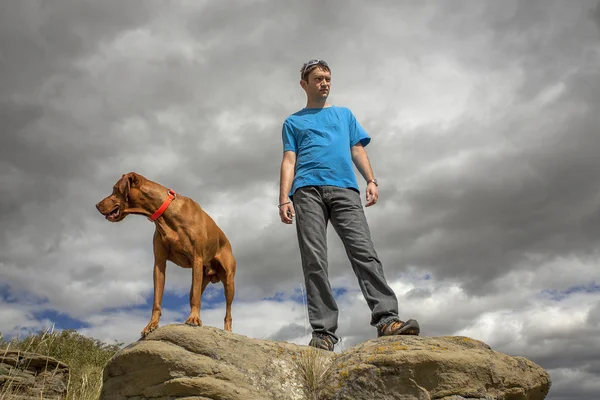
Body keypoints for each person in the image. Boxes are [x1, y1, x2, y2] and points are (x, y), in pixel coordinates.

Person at [278, 59, 420, 351]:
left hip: (345, 189)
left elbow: (357, 148)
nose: (325, 83)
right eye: (318, 78)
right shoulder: (293, 122)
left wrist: (371, 180)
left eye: (328, 78)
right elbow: (289, 160)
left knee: (364, 252)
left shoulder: (345, 115)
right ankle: (324, 334)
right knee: (314, 261)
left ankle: (387, 320)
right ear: (304, 84)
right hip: (306, 191)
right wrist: (283, 197)